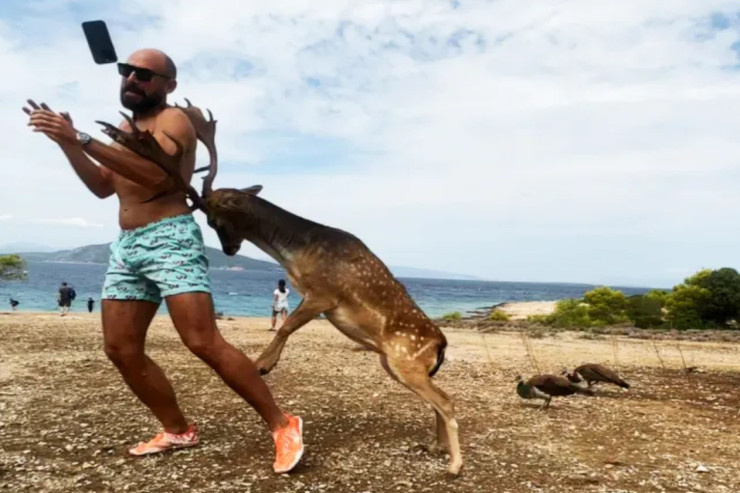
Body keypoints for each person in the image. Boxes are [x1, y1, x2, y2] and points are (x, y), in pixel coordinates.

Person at [23, 48, 303, 473]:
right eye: (127, 72)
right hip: (128, 245)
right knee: (120, 348)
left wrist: (81, 136)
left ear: (168, 85)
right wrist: (68, 144)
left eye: (145, 75)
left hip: (170, 239)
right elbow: (103, 187)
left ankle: (282, 424)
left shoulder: (174, 120)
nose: (133, 79)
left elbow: (156, 177)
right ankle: (177, 429)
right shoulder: (121, 128)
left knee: (202, 341)